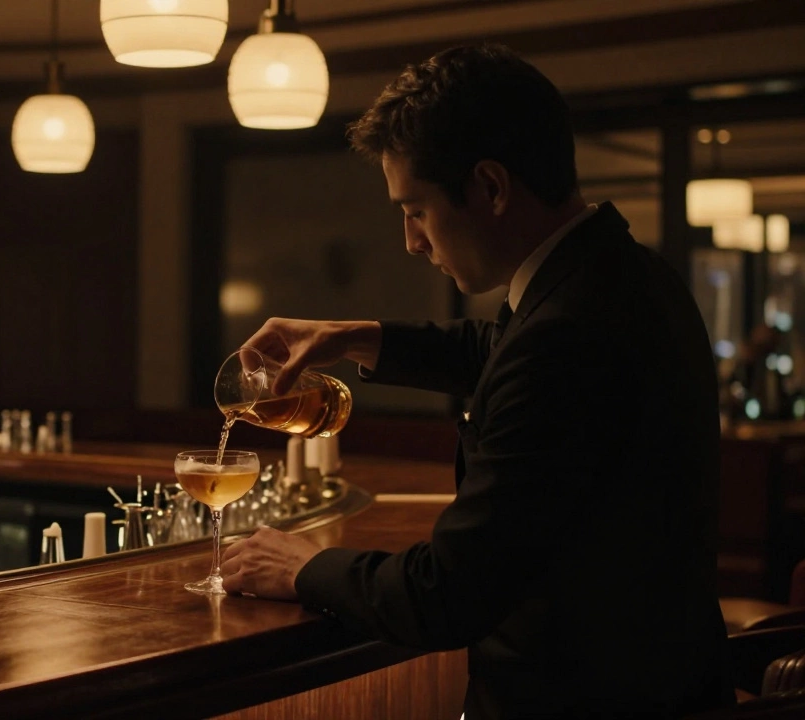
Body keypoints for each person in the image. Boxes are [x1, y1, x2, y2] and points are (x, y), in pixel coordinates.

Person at [219, 43, 732, 718]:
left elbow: (447, 595)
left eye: (417, 210)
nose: (411, 240)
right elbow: (500, 349)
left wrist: (302, 567)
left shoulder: (565, 338)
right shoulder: (624, 275)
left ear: (489, 188)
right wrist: (351, 336)